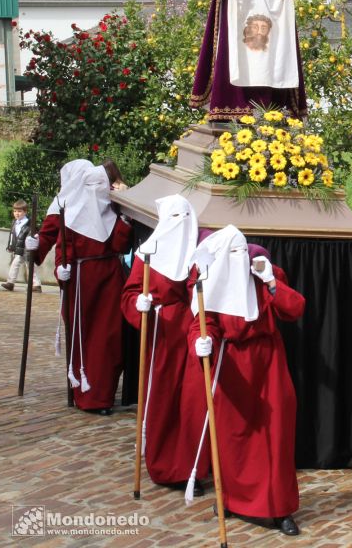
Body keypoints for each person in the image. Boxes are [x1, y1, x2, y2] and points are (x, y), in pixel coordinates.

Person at [188, 225, 305, 536]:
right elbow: (203, 322)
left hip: (269, 363)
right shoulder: (210, 281)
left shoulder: (264, 274)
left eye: (244, 250)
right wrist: (202, 342)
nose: (241, 258)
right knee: (232, 437)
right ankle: (231, 499)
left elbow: (294, 308)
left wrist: (270, 281)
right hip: (232, 364)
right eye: (234, 252)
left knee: (275, 435)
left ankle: (279, 508)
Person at [26, 163, 132, 414]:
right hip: (80, 281)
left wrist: (125, 220)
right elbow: (52, 239)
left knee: (110, 339)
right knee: (83, 338)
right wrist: (46, 256)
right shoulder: (66, 209)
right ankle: (87, 396)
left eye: (100, 184)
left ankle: (102, 395)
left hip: (110, 280)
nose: (97, 190)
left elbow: (121, 244)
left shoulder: (114, 207)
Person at [120, 195, 209, 491]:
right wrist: (140, 304)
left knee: (192, 401)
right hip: (160, 334)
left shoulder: (197, 254)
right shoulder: (148, 253)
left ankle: (192, 464)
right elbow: (129, 294)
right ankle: (165, 467)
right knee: (162, 399)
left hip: (190, 332)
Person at [1, 199, 42, 293]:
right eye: (15, 211)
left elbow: (32, 237)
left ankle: (35, 285)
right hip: (19, 250)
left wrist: (29, 250)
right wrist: (11, 246)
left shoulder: (29, 224)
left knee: (29, 266)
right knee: (18, 264)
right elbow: (12, 236)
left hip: (27, 250)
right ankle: (12, 283)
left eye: (19, 211)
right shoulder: (14, 223)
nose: (17, 213)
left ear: (25, 212)